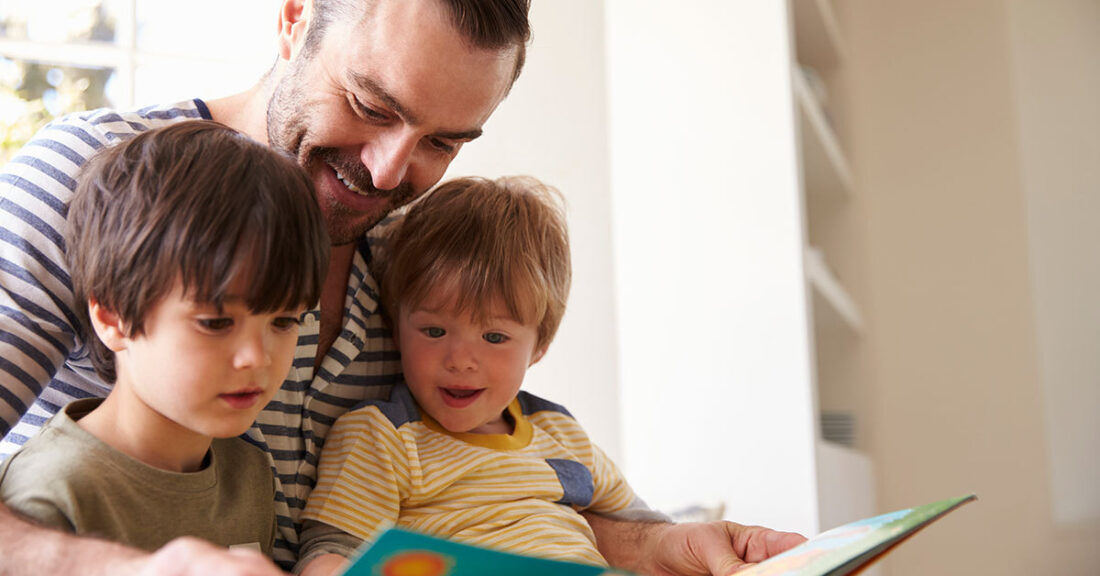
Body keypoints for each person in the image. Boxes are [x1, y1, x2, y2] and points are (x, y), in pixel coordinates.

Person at [0, 1, 805, 575]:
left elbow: (478, 489)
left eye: (443, 141)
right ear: (292, 20)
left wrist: (657, 547)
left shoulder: (415, 254)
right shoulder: (90, 178)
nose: (387, 172)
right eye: (370, 104)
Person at [0, 120, 328, 562]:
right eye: (215, 323)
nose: (257, 357)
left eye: (285, 321)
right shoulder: (50, 491)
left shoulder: (249, 472)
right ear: (112, 317)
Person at [295, 176, 636, 575]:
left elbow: (642, 526)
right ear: (395, 329)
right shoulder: (383, 437)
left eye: (494, 337)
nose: (461, 360)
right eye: (434, 332)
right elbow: (331, 550)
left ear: (540, 346)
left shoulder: (560, 431)